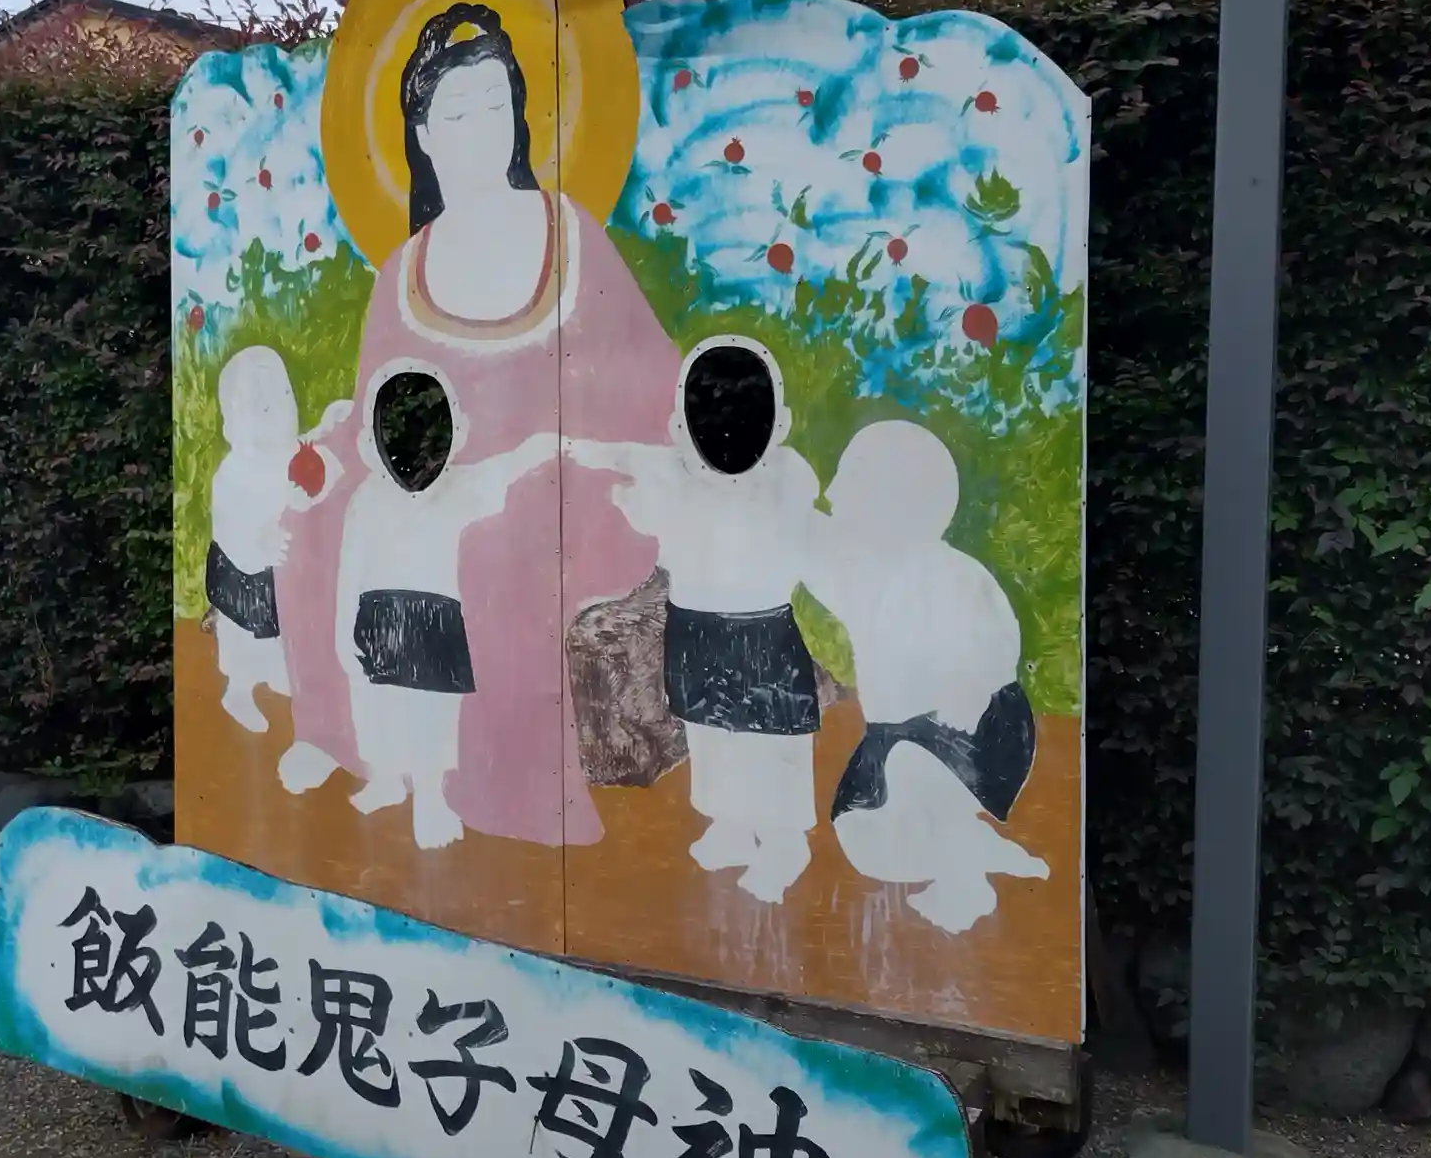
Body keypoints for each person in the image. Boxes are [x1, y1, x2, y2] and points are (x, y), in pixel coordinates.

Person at [275, 2, 678, 846]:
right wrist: (328, 451)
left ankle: (495, 788)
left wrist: (587, 443)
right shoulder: (405, 268)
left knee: (491, 544)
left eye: (498, 104)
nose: (482, 128)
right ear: (422, 135)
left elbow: (647, 375)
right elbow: (381, 401)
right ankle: (346, 738)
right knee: (316, 512)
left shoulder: (569, 234)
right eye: (458, 113)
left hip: (567, 464)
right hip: (439, 471)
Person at [571, 339, 828, 901]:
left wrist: (630, 497)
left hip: (761, 630)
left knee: (772, 740)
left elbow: (647, 499)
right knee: (710, 735)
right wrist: (592, 460)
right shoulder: (676, 474)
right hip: (697, 628)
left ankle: (785, 842)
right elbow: (630, 462)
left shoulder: (785, 478)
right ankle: (731, 826)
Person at [807, 419, 1048, 933]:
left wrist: (971, 687)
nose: (832, 493)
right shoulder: (860, 573)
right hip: (894, 734)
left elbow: (995, 638)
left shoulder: (953, 574)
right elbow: (810, 548)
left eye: (850, 481)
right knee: (859, 833)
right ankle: (973, 847)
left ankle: (965, 887)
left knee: (914, 776)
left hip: (969, 727)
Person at [336, 364, 557, 849]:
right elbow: (349, 566)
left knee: (431, 714)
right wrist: (341, 629)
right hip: (375, 614)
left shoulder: (462, 487)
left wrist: (543, 446)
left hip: (434, 618)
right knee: (374, 706)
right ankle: (386, 780)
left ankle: (430, 799)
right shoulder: (366, 498)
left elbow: (506, 468)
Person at [204, 346, 326, 732]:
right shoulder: (232, 474)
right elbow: (230, 530)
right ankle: (238, 691)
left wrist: (329, 426)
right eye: (266, 408)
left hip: (278, 573)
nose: (283, 411)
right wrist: (260, 543)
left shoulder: (288, 455)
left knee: (279, 627)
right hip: (242, 576)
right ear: (233, 424)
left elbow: (310, 453)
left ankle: (276, 671)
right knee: (246, 636)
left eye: (285, 396)